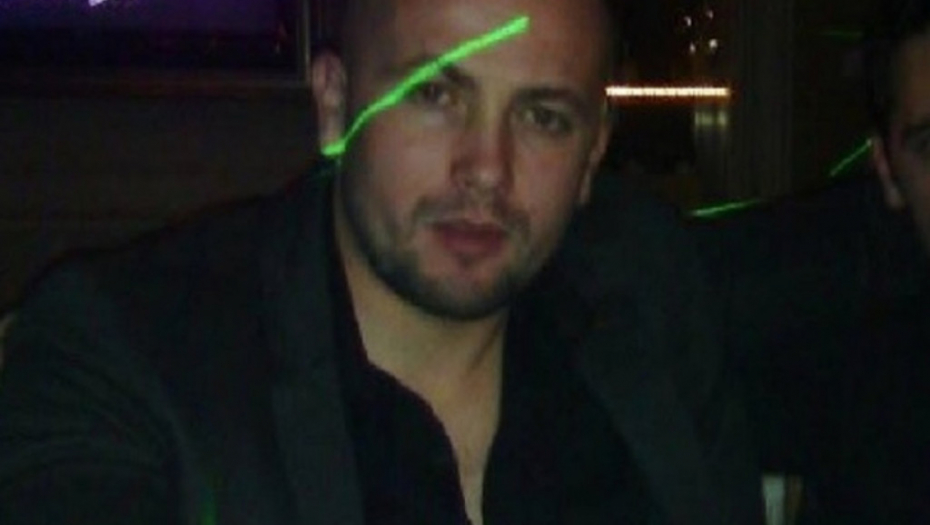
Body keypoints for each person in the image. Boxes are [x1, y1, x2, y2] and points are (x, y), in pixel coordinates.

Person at [0, 0, 762, 523]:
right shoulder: (129, 348)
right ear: (334, 105)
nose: (487, 168)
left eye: (543, 116)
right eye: (435, 94)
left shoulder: (646, 298)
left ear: (593, 151)